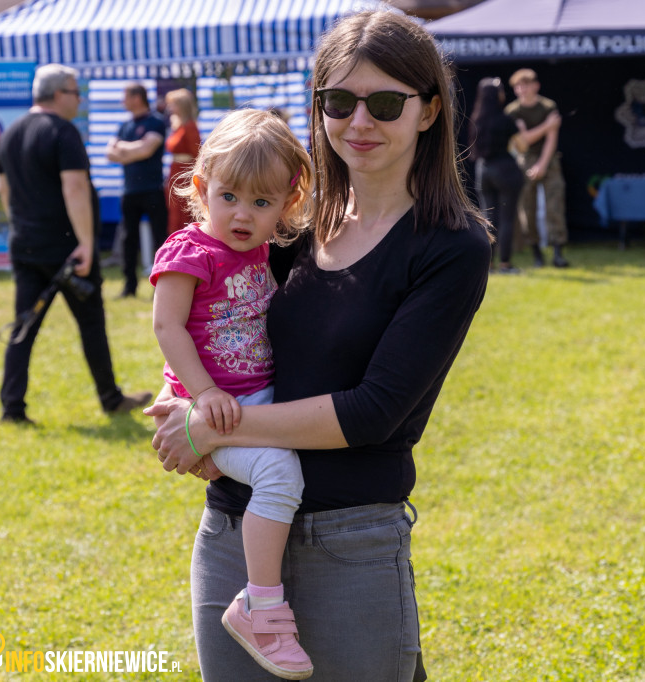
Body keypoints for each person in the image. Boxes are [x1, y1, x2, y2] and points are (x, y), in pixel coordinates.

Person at [145, 10, 492, 681]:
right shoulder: (285, 228)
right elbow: (210, 327)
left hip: (351, 545)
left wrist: (211, 426)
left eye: (386, 102)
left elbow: (372, 411)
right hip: (233, 536)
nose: (359, 123)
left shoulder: (451, 246)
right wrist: (177, 400)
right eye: (338, 101)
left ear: (429, 112)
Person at [150, 108, 315, 679]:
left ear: (287, 205)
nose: (243, 214)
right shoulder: (190, 250)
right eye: (230, 197)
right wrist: (203, 395)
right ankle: (260, 607)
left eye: (262, 202)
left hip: (258, 398)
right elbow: (167, 326)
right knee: (279, 475)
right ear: (201, 188)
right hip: (219, 406)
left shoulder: (261, 249)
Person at [0, 64, 152, 425]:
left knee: (23, 327)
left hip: (27, 246)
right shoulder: (63, 132)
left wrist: (19, 227)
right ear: (57, 95)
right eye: (74, 93)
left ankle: (12, 408)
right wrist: (85, 243)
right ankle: (110, 398)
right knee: (91, 324)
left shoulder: (11, 132)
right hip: (67, 250)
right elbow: (75, 187)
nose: (79, 100)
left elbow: (4, 190)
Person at [106, 82, 168, 298]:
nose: (122, 101)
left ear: (136, 98)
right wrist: (136, 149)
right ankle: (129, 286)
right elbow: (109, 153)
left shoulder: (156, 122)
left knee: (160, 239)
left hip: (152, 189)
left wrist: (124, 149)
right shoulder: (125, 126)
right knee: (128, 240)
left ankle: (162, 287)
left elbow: (146, 149)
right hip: (130, 191)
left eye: (125, 96)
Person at [505, 68, 569, 268]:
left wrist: (542, 164)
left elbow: (552, 138)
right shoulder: (512, 111)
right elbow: (522, 141)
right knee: (527, 207)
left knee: (555, 205)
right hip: (525, 160)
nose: (522, 89)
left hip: (549, 159)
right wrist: (546, 126)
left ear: (536, 86)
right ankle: (537, 255)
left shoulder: (548, 106)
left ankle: (558, 253)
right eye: (517, 86)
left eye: (525, 85)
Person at [470, 77, 526, 273]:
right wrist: (521, 130)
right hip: (506, 170)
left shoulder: (476, 119)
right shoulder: (506, 120)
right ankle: (505, 263)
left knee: (488, 217)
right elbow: (523, 145)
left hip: (483, 170)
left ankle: (488, 264)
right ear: (497, 95)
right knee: (507, 218)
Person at [164, 88, 201, 235]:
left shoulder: (190, 126)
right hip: (175, 172)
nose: (169, 108)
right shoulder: (178, 126)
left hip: (184, 174)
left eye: (172, 104)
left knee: (182, 212)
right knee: (174, 210)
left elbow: (197, 153)